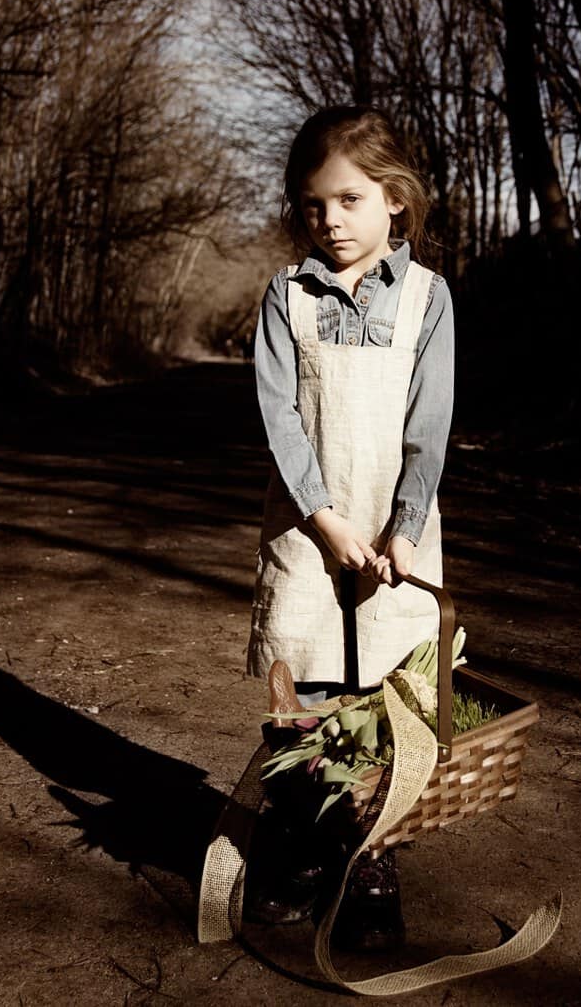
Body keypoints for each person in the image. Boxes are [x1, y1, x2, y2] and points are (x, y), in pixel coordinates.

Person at [245, 105, 455, 950]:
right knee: (301, 701)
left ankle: (370, 863)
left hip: (396, 535)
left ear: (395, 200)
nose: (330, 220)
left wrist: (403, 529)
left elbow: (428, 427)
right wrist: (325, 521)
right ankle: (302, 845)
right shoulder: (286, 298)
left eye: (350, 199)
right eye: (313, 205)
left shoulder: (428, 301)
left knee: (381, 704)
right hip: (308, 525)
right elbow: (280, 419)